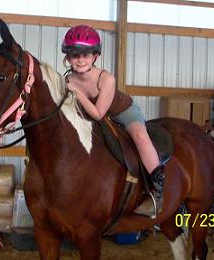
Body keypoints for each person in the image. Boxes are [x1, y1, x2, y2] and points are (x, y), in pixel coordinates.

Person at [62, 25, 167, 216]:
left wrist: (76, 92)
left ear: (95, 56)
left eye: (85, 55)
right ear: (68, 58)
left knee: (140, 136)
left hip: (122, 111)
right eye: (75, 55)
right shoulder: (68, 79)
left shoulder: (106, 78)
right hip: (93, 117)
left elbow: (98, 113)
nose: (80, 60)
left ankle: (157, 189)